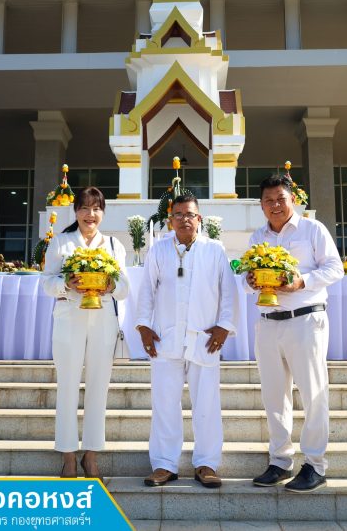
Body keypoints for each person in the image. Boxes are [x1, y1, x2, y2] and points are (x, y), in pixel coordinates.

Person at [246, 174, 343, 492]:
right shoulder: (258, 236)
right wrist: (250, 281)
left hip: (305, 321)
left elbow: (335, 268)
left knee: (313, 394)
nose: (275, 205)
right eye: (268, 200)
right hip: (268, 323)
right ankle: (280, 461)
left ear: (292, 200)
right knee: (274, 396)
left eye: (280, 198)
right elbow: (245, 279)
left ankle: (315, 465)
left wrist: (301, 282)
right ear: (261, 205)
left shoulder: (312, 229)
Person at [135, 194, 236, 489]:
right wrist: (143, 326)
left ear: (199, 218)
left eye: (190, 214)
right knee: (165, 403)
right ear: (170, 220)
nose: (184, 219)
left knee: (207, 403)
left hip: (205, 338)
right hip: (165, 337)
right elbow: (146, 290)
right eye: (178, 214)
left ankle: (207, 463)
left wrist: (224, 326)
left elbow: (228, 291)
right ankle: (164, 464)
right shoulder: (159, 249)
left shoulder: (214, 250)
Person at [42, 187, 130, 478]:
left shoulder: (114, 245)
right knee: (67, 385)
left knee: (98, 387)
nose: (90, 214)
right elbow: (47, 283)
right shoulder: (61, 243)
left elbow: (125, 289)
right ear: (75, 211)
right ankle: (68, 456)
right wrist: (67, 283)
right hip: (69, 318)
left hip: (103, 320)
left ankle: (91, 455)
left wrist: (110, 286)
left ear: (103, 212)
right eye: (84, 208)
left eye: (96, 208)